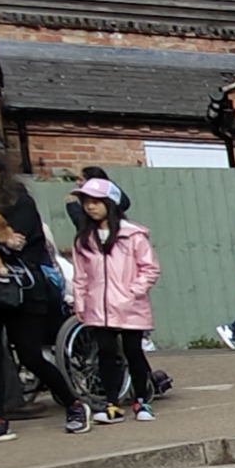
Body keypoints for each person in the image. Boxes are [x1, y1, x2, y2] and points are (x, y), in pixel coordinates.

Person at [0, 144, 87, 440]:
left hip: (22, 288)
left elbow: (15, 243)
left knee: (30, 355)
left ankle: (74, 403)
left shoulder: (19, 201)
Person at [59, 176, 160, 425]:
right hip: (98, 308)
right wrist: (80, 302)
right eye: (86, 202)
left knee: (133, 352)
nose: (90, 207)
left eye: (96, 201)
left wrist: (132, 292)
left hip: (130, 307)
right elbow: (81, 275)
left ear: (110, 203)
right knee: (105, 354)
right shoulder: (84, 239)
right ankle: (111, 402)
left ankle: (141, 400)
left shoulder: (132, 235)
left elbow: (149, 268)